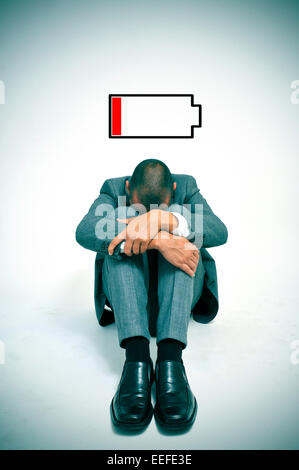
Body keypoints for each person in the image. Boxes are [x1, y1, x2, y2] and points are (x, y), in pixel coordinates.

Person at [75, 158, 228, 432]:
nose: (149, 213)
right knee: (116, 245)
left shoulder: (186, 187)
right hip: (128, 299)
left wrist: (164, 218)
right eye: (137, 206)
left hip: (179, 298)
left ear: (173, 187)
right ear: (126, 187)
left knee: (183, 230)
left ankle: (171, 360)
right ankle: (137, 361)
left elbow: (218, 230)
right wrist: (156, 237)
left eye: (161, 205)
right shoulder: (112, 189)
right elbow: (86, 230)